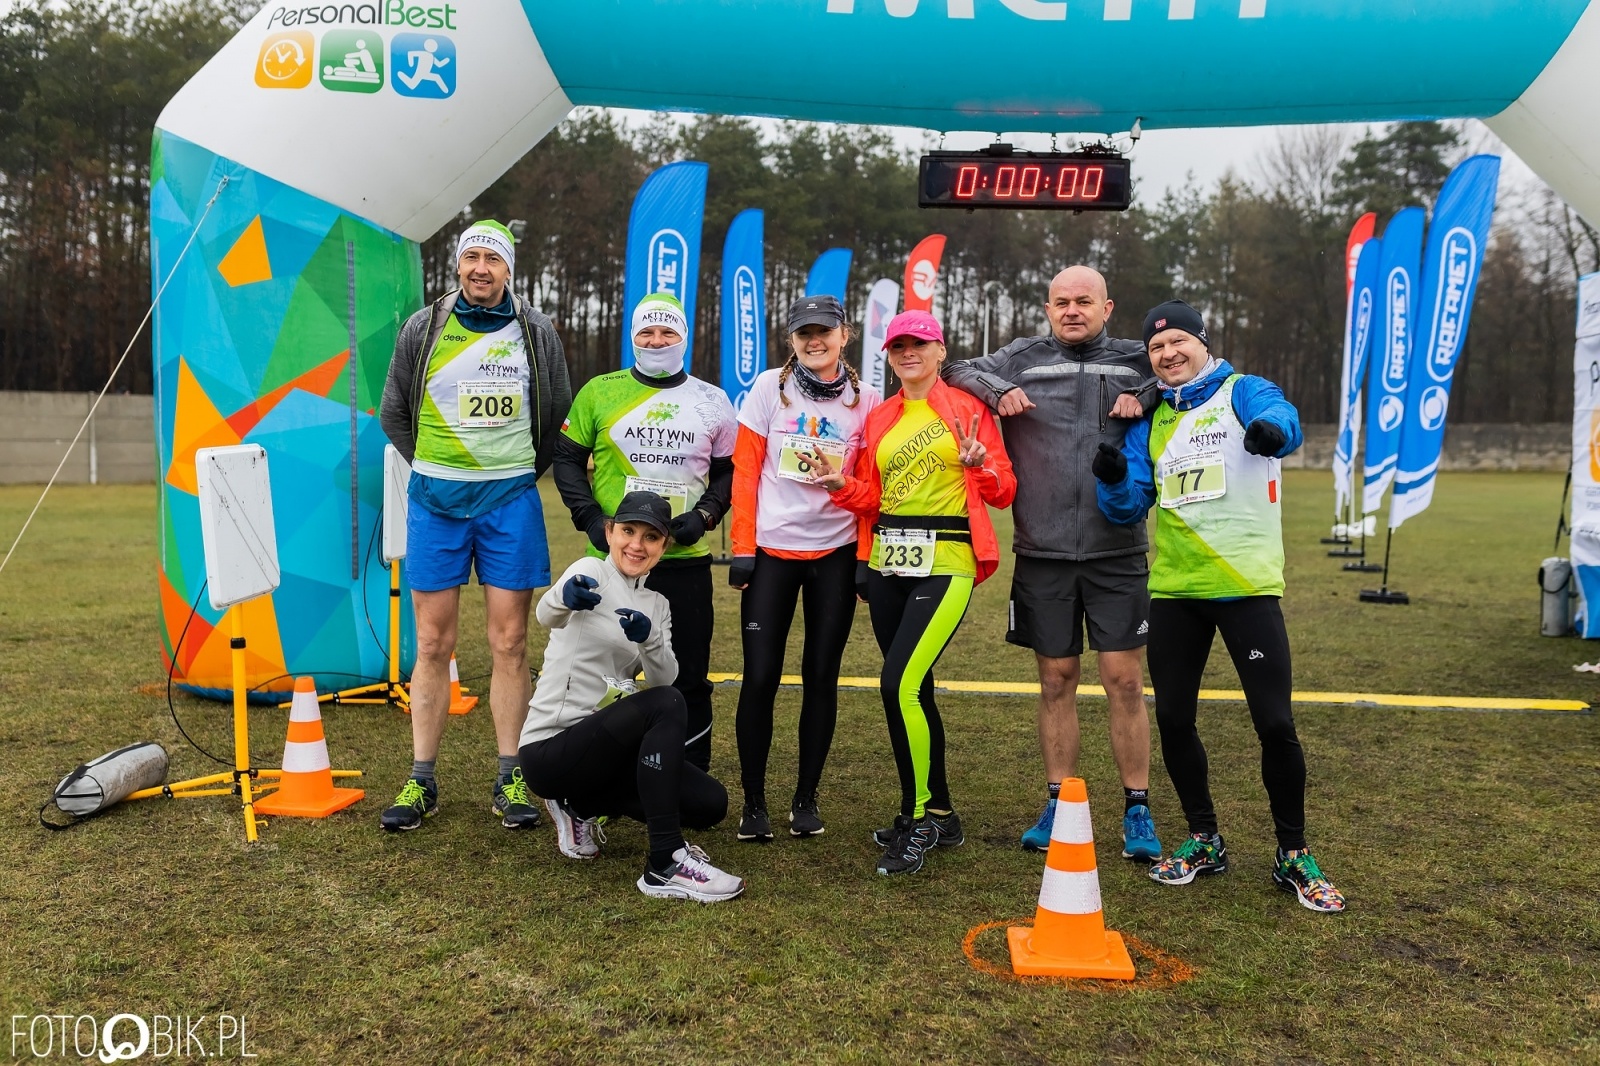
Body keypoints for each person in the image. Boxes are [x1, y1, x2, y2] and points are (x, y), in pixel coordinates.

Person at [1094, 300, 1345, 914]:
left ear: (1203, 343)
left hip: (1248, 589)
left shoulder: (1243, 391)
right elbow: (1128, 506)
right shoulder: (1148, 421)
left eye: (1178, 341)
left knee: (1274, 723)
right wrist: (1109, 475)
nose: (1168, 354)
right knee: (1176, 721)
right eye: (1156, 348)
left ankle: (1293, 852)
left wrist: (1272, 434)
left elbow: (1283, 418)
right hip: (1177, 592)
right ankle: (1205, 838)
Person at [942, 265, 1162, 861]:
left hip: (1119, 552)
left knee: (1124, 680)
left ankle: (1137, 809)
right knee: (1055, 681)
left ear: (1107, 306)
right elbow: (953, 368)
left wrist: (1141, 393)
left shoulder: (1137, 359)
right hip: (1042, 553)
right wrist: (996, 390)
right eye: (1061, 302)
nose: (1072, 310)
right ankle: (1059, 800)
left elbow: (1182, 372)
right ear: (1046, 308)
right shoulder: (1022, 356)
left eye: (1084, 301)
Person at [377, 219, 571, 832]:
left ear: (509, 269)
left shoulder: (535, 330)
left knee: (510, 642)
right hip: (434, 503)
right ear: (457, 266)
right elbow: (394, 413)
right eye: (471, 258)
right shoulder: (423, 327)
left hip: (509, 501)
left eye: (493, 258)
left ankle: (510, 774)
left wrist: (510, 473)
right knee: (432, 643)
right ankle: (421, 779)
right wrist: (438, 468)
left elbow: (556, 414)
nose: (480, 268)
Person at [808, 310, 1015, 875]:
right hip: (888, 564)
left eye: (918, 344)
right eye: (898, 346)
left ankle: (917, 817)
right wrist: (839, 485)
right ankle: (942, 814)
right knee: (916, 689)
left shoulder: (968, 410)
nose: (907, 353)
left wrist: (980, 467)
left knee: (896, 685)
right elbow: (872, 498)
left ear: (940, 350)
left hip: (947, 564)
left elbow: (1004, 489)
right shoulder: (880, 417)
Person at [520, 491, 744, 902]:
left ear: (664, 546)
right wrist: (565, 597)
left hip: (603, 749)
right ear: (609, 532)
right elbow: (545, 614)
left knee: (710, 803)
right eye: (627, 531)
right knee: (668, 706)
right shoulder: (591, 569)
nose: (636, 545)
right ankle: (665, 862)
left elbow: (664, 677)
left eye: (650, 537)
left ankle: (580, 807)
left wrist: (650, 640)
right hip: (550, 749)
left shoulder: (656, 604)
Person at [553, 293, 737, 772]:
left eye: (667, 332)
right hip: (617, 563)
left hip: (684, 564)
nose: (657, 341)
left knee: (688, 677)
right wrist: (591, 519)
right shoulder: (599, 390)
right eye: (646, 333)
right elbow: (568, 459)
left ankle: (689, 777)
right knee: (602, 675)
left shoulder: (712, 400)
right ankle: (604, 776)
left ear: (684, 337)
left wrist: (706, 517)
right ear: (632, 337)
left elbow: (728, 472)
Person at [728, 294, 881, 842]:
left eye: (823, 331)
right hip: (771, 552)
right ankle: (754, 803)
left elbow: (871, 488)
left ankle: (805, 798)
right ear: (791, 339)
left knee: (822, 677)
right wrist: (742, 546)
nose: (813, 341)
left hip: (836, 554)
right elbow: (745, 472)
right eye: (802, 333)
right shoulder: (770, 388)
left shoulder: (867, 401)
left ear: (845, 333)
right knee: (761, 677)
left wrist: (865, 559)